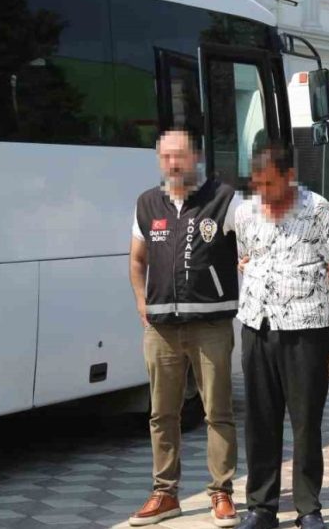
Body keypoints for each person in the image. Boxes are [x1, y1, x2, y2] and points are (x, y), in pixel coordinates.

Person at [233, 144, 329, 529]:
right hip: (257, 326)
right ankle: (261, 507)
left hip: (305, 331)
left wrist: (319, 306)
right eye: (257, 183)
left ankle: (308, 508)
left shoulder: (318, 210)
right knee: (260, 420)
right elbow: (246, 258)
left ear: (288, 177)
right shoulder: (246, 212)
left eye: (269, 182)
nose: (262, 190)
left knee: (305, 421)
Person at [129, 129, 240, 528]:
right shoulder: (147, 203)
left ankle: (222, 493)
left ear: (196, 157)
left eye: (180, 156)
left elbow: (251, 249)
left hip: (211, 324)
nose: (173, 164)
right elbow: (137, 260)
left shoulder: (224, 198)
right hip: (161, 329)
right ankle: (165, 493)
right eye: (166, 157)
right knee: (162, 413)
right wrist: (142, 302)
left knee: (218, 412)